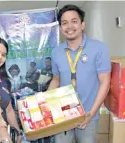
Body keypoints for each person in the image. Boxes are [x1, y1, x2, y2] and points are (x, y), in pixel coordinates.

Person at [48, 4, 111, 143]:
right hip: (63, 115)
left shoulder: (98, 48)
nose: (69, 26)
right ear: (60, 28)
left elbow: (105, 82)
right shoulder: (56, 52)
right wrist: (45, 101)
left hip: (88, 114)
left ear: (83, 24)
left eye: (74, 21)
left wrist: (92, 113)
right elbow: (56, 79)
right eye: (64, 23)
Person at [0, 37, 22, 143]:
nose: (0, 57)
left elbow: (9, 110)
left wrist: (18, 132)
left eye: (3, 54)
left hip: (6, 136)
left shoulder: (3, 80)